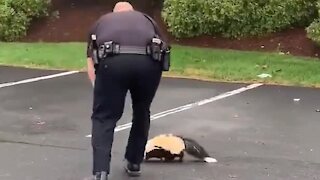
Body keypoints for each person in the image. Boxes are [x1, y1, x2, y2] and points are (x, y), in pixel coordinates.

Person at [85, 1, 170, 180]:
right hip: (149, 62)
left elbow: (91, 60)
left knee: (104, 116)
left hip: (113, 62)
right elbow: (164, 49)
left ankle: (101, 172)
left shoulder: (103, 21)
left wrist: (99, 90)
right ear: (133, 12)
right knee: (142, 109)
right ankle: (134, 162)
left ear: (114, 12)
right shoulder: (147, 20)